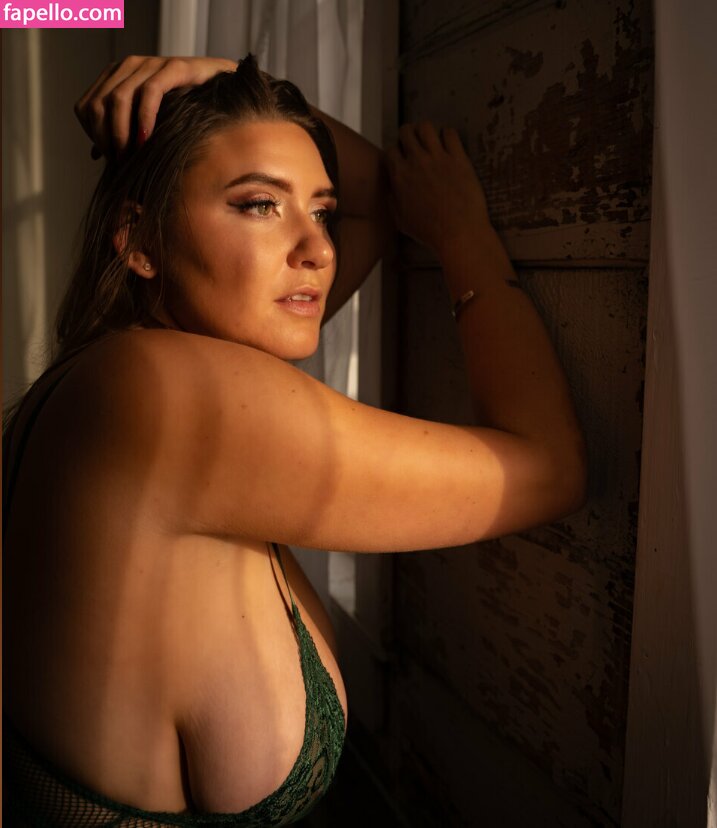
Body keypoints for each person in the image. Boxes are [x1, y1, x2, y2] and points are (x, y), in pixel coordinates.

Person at [2, 55, 587, 825]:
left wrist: (223, 79)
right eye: (258, 205)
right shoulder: (172, 394)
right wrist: (464, 236)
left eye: (320, 209)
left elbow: (376, 195)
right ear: (138, 239)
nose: (318, 247)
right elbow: (547, 469)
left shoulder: (112, 373)